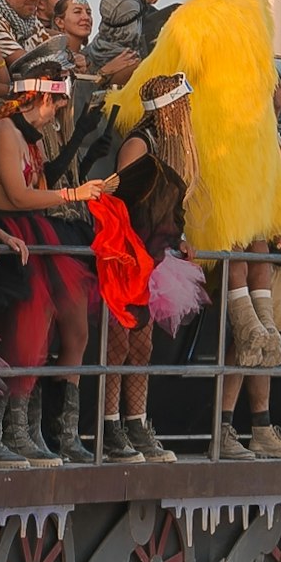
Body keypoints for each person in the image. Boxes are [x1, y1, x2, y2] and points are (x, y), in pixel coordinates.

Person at [111, 0, 281, 453]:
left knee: (230, 246)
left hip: (214, 147)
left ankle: (247, 322)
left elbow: (155, 74)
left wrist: (113, 99)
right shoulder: (256, 12)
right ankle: (263, 334)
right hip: (260, 152)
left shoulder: (191, 20)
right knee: (257, 243)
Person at [0, 75, 115, 464]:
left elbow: (40, 184)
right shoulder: (2, 131)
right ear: (36, 97)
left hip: (36, 232)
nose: (58, 115)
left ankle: (40, 429)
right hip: (12, 231)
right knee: (26, 330)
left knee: (71, 324)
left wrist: (77, 153)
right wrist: (74, 193)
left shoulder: (31, 140)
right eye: (56, 106)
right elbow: (18, 196)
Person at [94, 71, 200, 459]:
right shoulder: (140, 144)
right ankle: (109, 425)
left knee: (142, 343)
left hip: (154, 253)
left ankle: (136, 422)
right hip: (129, 252)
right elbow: (126, 201)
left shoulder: (171, 147)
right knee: (120, 342)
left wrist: (177, 240)